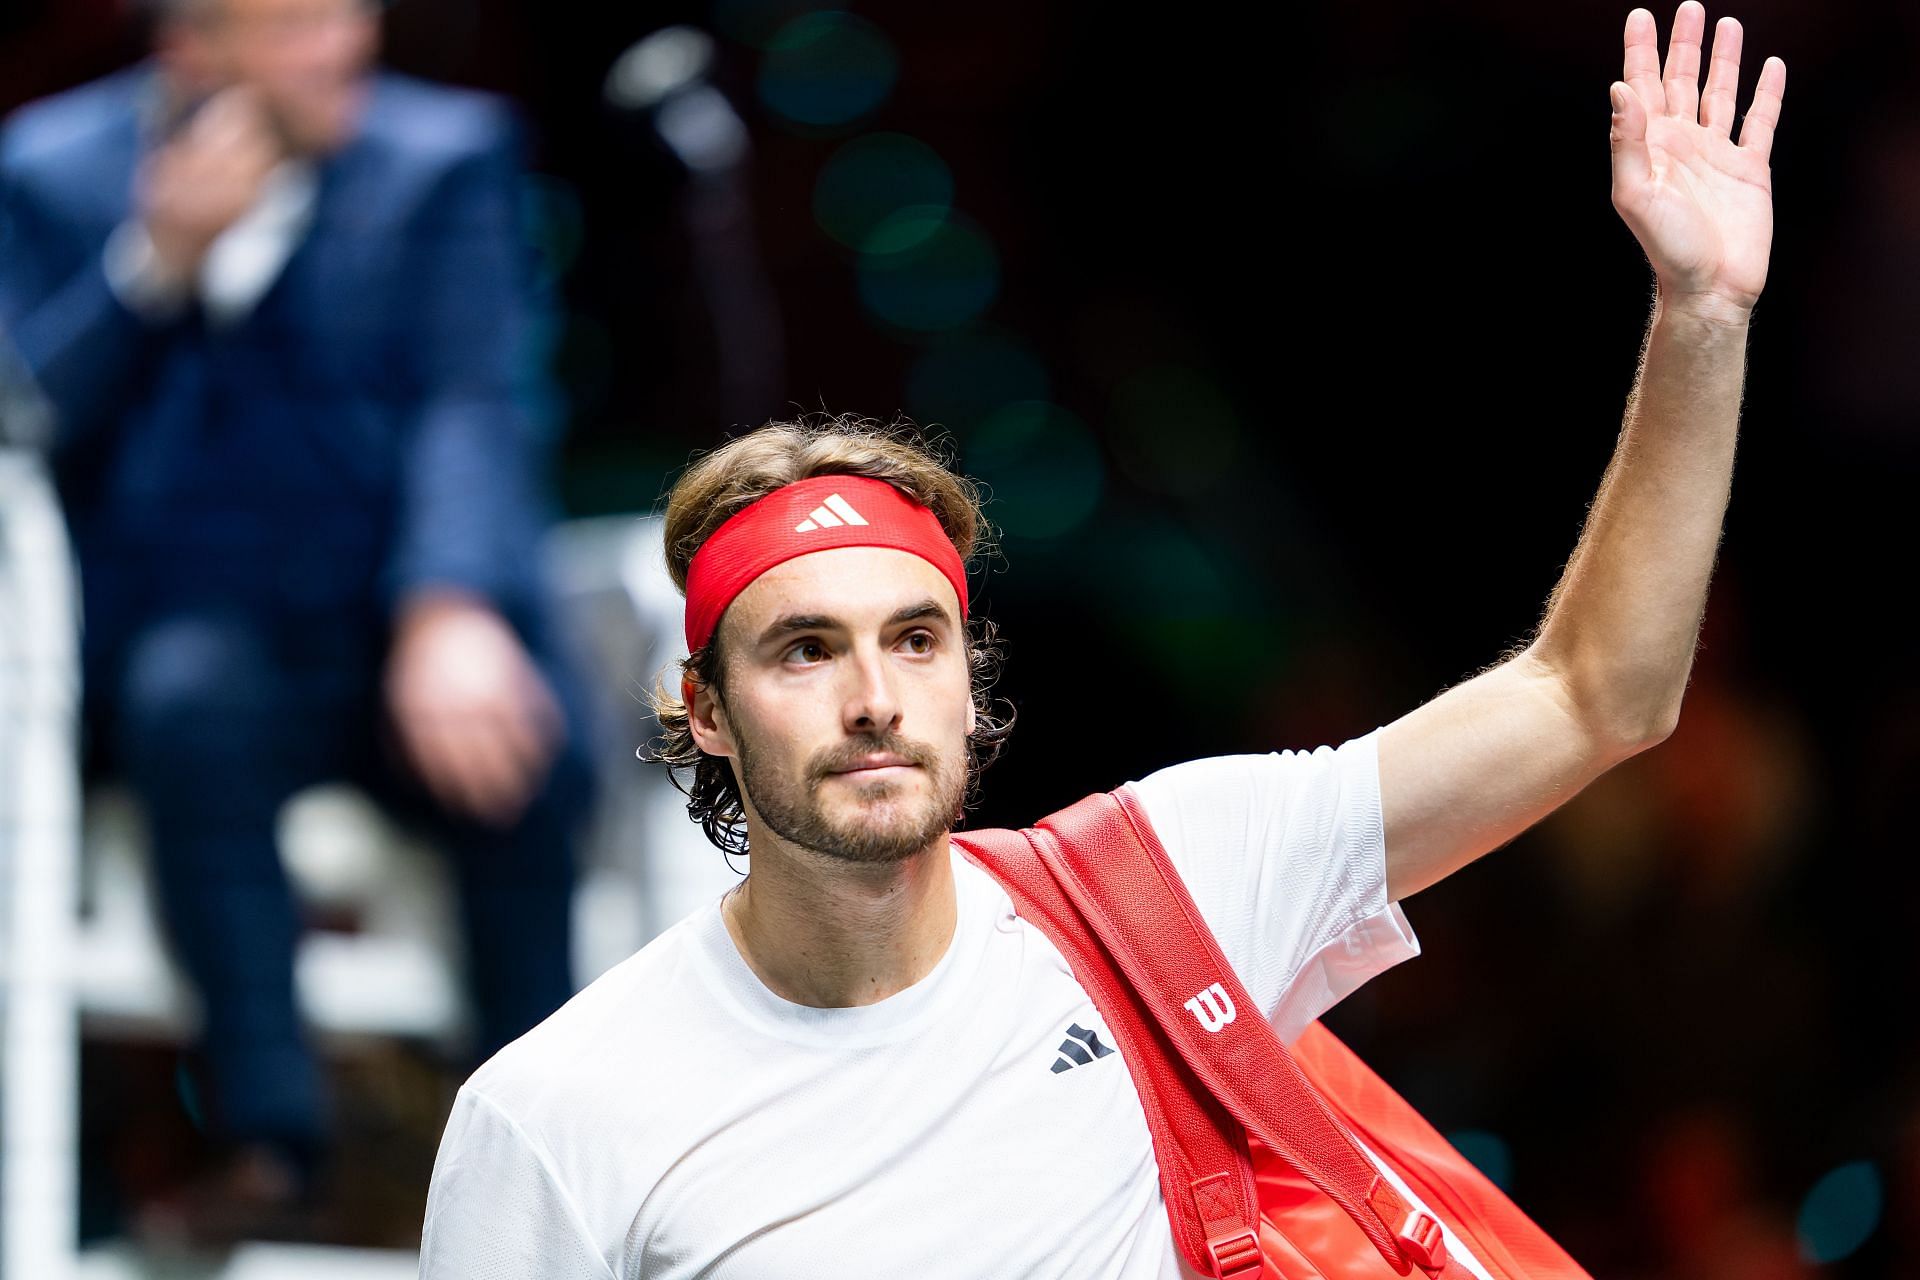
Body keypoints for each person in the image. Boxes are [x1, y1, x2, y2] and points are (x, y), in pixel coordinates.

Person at [417, 3, 1784, 1274]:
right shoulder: (555, 1115)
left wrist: (1702, 318)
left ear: (970, 678)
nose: (875, 696)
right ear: (704, 707)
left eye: (916, 639)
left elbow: (1598, 696)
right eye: (803, 650)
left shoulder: (1162, 892)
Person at [0, 0, 596, 1237]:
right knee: (187, 699)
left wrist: (449, 606)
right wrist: (149, 270)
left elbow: (471, 404)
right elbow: (24, 427)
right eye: (291, 28)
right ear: (191, 51)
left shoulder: (446, 159)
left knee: (526, 747)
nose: (340, 52)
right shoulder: (53, 172)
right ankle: (274, 1137)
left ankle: (548, 1157)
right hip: (190, 626)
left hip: (394, 618)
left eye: (348, 16)